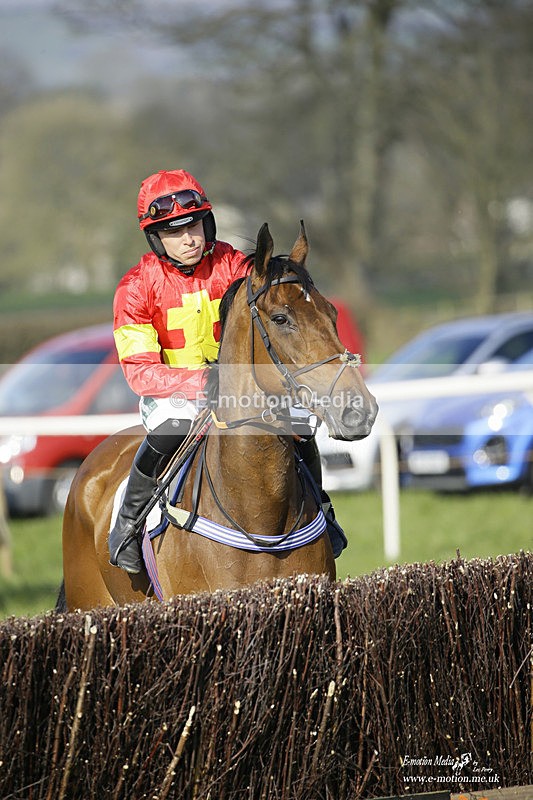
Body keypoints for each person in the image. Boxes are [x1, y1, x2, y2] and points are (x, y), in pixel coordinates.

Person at [109, 168, 346, 574]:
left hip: (243, 392)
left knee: (299, 426)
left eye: (194, 226)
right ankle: (128, 524)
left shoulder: (235, 266)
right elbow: (140, 372)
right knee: (170, 431)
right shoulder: (135, 288)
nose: (189, 239)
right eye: (173, 232)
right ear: (155, 238)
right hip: (175, 397)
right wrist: (205, 381)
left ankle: (322, 509)